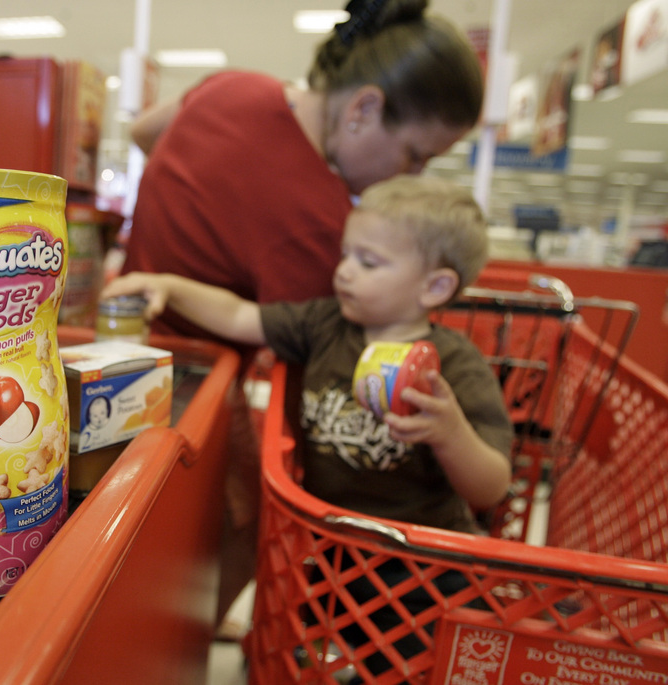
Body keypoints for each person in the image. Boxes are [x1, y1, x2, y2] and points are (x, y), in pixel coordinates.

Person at [103, 175, 513, 677]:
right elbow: (239, 316)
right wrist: (167, 286)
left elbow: (491, 487)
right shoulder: (325, 326)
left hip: (420, 573)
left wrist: (451, 434)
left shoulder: (455, 366)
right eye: (346, 254)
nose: (343, 272)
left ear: (435, 287)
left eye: (368, 262)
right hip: (329, 554)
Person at [122, 0, 484, 343]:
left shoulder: (234, 84)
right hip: (186, 380)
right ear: (364, 108)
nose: (413, 176)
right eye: (415, 155)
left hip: (112, 331)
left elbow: (143, 132)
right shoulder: (320, 223)